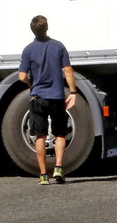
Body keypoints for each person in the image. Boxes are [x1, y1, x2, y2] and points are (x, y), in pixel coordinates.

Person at [18, 15, 76, 185]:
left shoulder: (28, 49)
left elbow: (21, 76)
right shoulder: (58, 46)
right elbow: (68, 71)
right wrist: (73, 91)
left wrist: (31, 82)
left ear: (33, 30)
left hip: (38, 97)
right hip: (57, 96)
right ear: (47, 27)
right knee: (59, 133)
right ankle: (58, 167)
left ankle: (43, 175)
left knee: (40, 136)